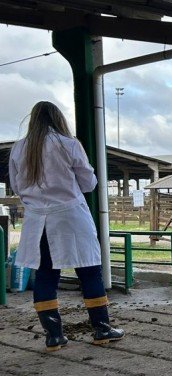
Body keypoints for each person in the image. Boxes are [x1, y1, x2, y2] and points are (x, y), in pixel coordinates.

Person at [8, 101, 124, 351]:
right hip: (70, 216)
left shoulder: (19, 148)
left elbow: (16, 187)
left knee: (46, 275)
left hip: (37, 219)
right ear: (58, 119)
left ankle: (54, 336)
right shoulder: (69, 144)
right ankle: (102, 329)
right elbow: (88, 183)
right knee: (89, 271)